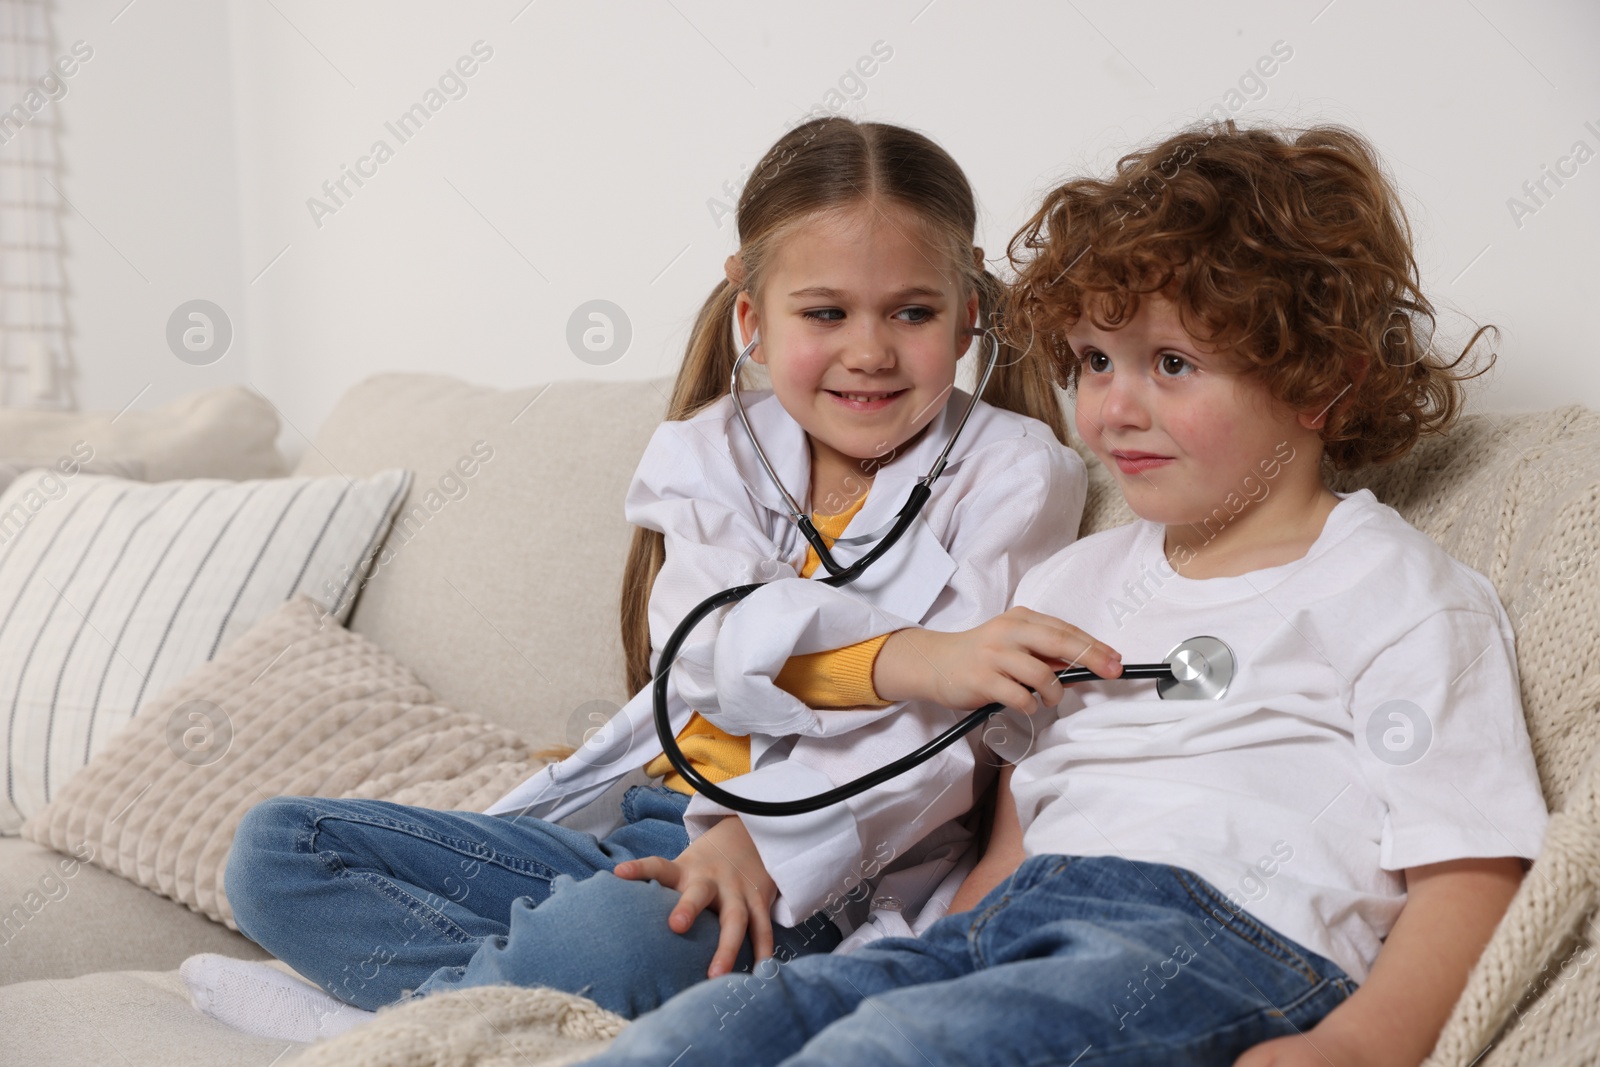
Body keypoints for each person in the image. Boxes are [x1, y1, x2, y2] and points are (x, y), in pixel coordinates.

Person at [579, 121, 1551, 1067]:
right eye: (1093, 359)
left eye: (1170, 363)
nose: (1112, 409)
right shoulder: (1073, 581)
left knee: (893, 1049)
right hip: (1012, 921)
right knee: (707, 1032)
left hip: (1214, 939)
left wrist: (1357, 1044)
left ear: (1321, 380)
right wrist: (933, 954)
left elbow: (1470, 864)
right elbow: (1015, 830)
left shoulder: (1400, 589)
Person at [182, 116, 1088, 1042]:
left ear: (969, 305)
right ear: (753, 318)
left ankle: (377, 1021)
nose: (870, 350)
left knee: (604, 943)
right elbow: (704, 647)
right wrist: (913, 654)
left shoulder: (1016, 475)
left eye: (912, 311)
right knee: (276, 849)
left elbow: (947, 734)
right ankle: (512, 987)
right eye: (825, 313)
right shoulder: (711, 453)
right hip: (650, 824)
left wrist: (766, 842)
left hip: (820, 876)